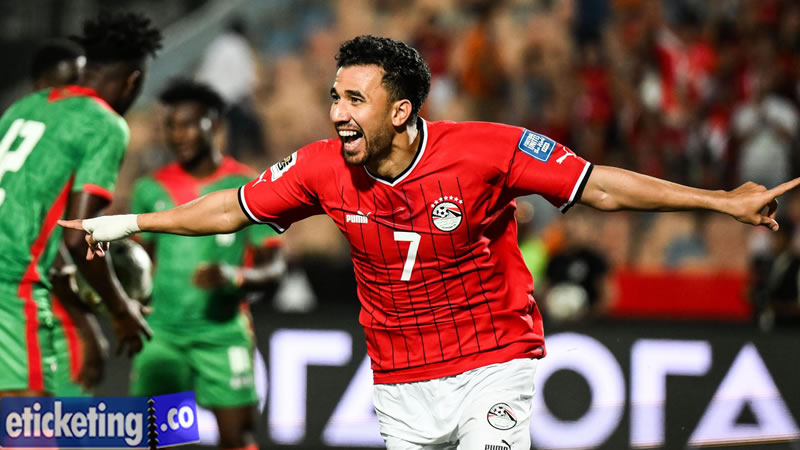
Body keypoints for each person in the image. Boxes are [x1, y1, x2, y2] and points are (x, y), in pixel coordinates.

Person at [61, 35, 799, 450]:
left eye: (355, 99)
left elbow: (598, 185)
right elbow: (234, 207)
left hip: (493, 364)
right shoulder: (320, 167)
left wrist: (718, 201)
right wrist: (127, 223)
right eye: (334, 96)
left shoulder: (487, 149)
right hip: (399, 383)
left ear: (402, 110)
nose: (337, 112)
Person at [0, 11, 162, 400]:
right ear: (133, 81)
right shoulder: (103, 124)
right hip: (11, 287)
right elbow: (79, 237)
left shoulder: (23, 107)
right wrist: (121, 309)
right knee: (28, 426)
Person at [128, 79, 284, 450]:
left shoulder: (246, 186)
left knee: (237, 438)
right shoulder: (150, 189)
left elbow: (275, 270)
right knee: (159, 439)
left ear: (212, 124)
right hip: (162, 335)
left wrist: (234, 276)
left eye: (186, 125)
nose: (176, 135)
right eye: (170, 126)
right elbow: (138, 266)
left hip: (221, 334)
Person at [28, 37, 109, 397]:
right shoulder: (52, 148)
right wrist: (90, 325)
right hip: (46, 314)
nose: (78, 94)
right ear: (40, 87)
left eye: (82, 83)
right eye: (69, 84)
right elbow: (59, 240)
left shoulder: (13, 131)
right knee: (58, 422)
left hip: (34, 303)